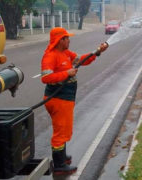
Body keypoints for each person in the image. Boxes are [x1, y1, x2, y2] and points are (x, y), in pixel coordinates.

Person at [41, 27, 107, 175]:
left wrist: (98, 51)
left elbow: (81, 60)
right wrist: (66, 73)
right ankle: (59, 166)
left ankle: (62, 157)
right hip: (58, 99)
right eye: (66, 38)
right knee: (60, 132)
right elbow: (45, 78)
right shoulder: (50, 56)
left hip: (65, 99)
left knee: (63, 129)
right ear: (60, 40)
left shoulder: (65, 53)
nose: (69, 40)